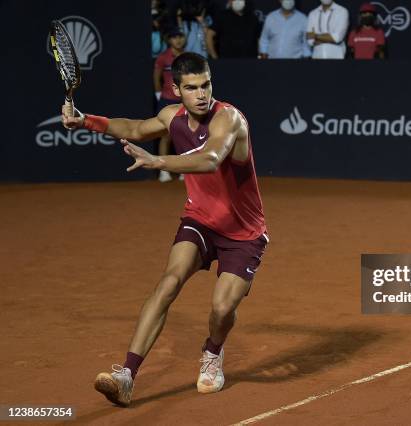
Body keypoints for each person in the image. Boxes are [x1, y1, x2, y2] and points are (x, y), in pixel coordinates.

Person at [61, 52, 269, 406]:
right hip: (201, 220)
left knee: (221, 309)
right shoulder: (171, 117)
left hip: (243, 234)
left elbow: (211, 158)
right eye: (191, 88)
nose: (201, 94)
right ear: (176, 90)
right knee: (168, 281)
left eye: (206, 85)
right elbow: (137, 128)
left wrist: (159, 161)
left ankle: (213, 352)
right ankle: (127, 375)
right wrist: (86, 121)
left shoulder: (229, 119)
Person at [154, 28, 186, 182]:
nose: (178, 40)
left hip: (184, 101)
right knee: (165, 136)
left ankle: (184, 171)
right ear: (169, 40)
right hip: (167, 100)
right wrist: (159, 94)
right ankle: (163, 171)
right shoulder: (163, 58)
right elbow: (156, 76)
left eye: (180, 37)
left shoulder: (188, 57)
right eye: (174, 37)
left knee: (185, 136)